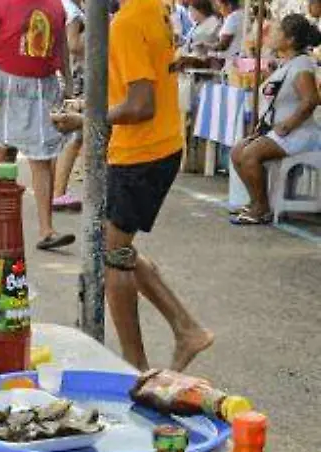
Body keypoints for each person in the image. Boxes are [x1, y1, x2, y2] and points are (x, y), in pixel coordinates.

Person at [53, 0, 212, 372]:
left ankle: (136, 365)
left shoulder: (127, 22)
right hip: (156, 147)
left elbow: (141, 105)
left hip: (142, 153)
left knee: (114, 259)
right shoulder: (153, 9)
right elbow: (139, 84)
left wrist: (85, 118)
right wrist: (93, 104)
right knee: (119, 249)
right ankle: (185, 328)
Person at [0, 0, 77, 250]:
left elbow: (61, 46)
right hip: (4, 86)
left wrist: (68, 80)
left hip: (41, 88)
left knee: (42, 158)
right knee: (4, 152)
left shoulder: (56, 5)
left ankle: (47, 230)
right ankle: (0, 225)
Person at [230, 14, 321, 225]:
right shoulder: (287, 64)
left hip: (298, 132)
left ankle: (261, 209)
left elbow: (310, 100)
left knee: (250, 155)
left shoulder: (301, 65)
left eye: (277, 31)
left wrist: (288, 124)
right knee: (237, 152)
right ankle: (256, 201)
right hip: (278, 130)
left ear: (289, 40)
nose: (271, 34)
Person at [51, 0, 85, 213]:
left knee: (74, 136)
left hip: (69, 74)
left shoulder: (60, 6)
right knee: (75, 136)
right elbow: (72, 45)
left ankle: (57, 192)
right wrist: (100, 35)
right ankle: (59, 193)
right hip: (77, 75)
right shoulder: (71, 10)